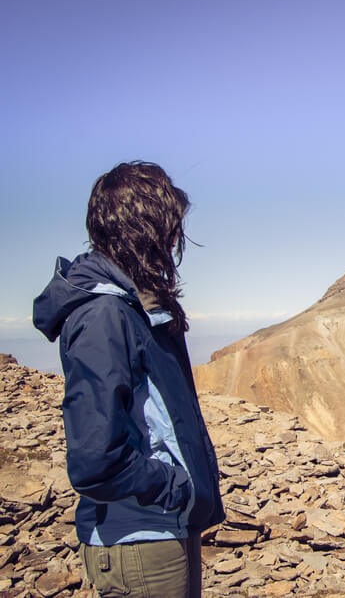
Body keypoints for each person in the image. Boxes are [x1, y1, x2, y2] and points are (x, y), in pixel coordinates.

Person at [33, 161, 225, 598]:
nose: (176, 241)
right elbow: (95, 460)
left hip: (163, 529)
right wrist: (177, 486)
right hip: (140, 538)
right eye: (169, 227)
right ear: (142, 228)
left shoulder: (135, 309)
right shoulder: (104, 317)